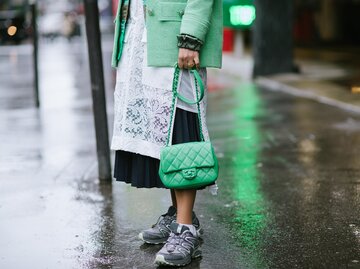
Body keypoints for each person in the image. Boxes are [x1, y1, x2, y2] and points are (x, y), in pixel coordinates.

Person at [111, 0, 222, 266]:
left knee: (180, 127)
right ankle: (179, 215)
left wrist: (191, 37)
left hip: (174, 38)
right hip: (141, 35)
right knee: (159, 135)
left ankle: (186, 230)